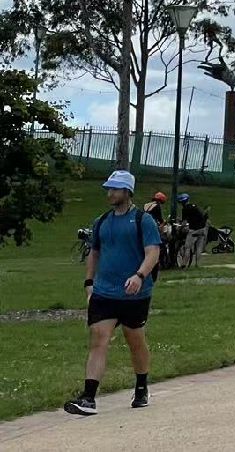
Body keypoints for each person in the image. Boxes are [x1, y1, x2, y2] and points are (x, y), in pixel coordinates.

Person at [66, 170, 162, 416]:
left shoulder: (143, 220)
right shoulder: (101, 221)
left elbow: (153, 252)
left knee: (135, 341)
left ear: (127, 192)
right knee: (99, 338)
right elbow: (94, 252)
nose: (110, 193)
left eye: (115, 189)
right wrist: (89, 282)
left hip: (134, 294)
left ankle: (141, 387)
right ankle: (88, 398)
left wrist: (139, 275)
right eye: (109, 188)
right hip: (104, 292)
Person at [179, 194, 208, 267]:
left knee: (187, 247)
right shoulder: (195, 206)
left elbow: (184, 222)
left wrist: (181, 227)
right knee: (199, 247)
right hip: (202, 229)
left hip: (193, 230)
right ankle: (197, 264)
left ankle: (184, 264)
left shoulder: (185, 209)